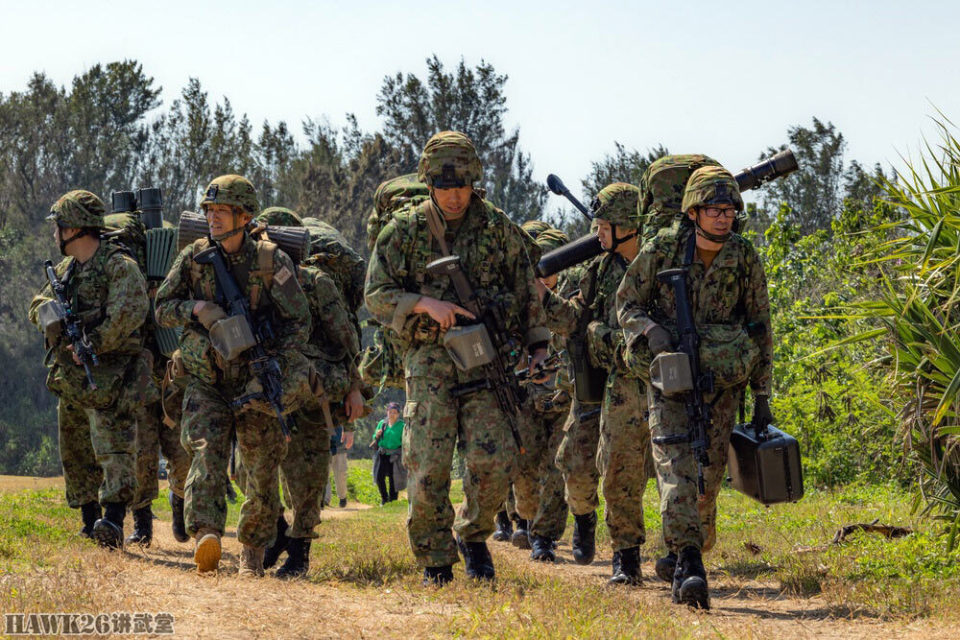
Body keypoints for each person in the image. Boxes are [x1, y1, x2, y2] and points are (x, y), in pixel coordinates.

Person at [365, 130, 550, 585]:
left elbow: (529, 292)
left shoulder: (498, 228)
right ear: (429, 182)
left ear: (475, 182)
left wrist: (539, 344)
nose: (453, 196)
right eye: (444, 186)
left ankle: (473, 534)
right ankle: (435, 559)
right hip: (428, 359)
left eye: (461, 186)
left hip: (487, 359)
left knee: (495, 458)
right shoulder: (404, 230)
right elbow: (375, 295)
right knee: (426, 463)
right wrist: (427, 305)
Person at [616, 166, 773, 608]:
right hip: (669, 380)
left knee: (706, 475)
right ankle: (689, 564)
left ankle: (683, 549)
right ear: (692, 212)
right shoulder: (662, 249)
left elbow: (760, 326)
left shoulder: (743, 256)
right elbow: (625, 304)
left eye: (730, 210)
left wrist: (762, 394)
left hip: (721, 382)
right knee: (674, 467)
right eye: (715, 209)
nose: (724, 217)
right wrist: (650, 330)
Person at [154, 174, 313, 576]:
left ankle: (252, 552)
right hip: (207, 378)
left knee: (260, 469)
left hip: (254, 379)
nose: (213, 219)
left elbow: (299, 321)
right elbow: (161, 308)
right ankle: (207, 533)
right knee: (206, 454)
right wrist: (197, 310)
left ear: (244, 215)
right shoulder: (193, 256)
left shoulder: (270, 261)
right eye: (209, 211)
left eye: (222, 211)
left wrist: (272, 362)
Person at [540, 183, 651, 585]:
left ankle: (627, 557)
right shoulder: (598, 269)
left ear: (626, 226)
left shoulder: (654, 263)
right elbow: (573, 319)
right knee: (575, 463)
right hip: (592, 381)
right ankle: (583, 517)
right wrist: (543, 297)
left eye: (604, 225)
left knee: (621, 466)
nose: (597, 234)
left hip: (635, 379)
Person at [28, 190, 149, 549]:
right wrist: (52, 316)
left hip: (113, 374)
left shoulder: (117, 264)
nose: (55, 233)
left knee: (114, 449)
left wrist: (93, 343)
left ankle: (112, 519)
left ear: (75, 229)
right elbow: (36, 305)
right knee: (76, 448)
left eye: (59, 226)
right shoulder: (66, 270)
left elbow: (131, 310)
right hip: (74, 377)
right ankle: (88, 518)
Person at [251, 207, 365, 578]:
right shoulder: (251, 283)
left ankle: (300, 551)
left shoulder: (315, 282)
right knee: (260, 464)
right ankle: (279, 532)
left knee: (309, 470)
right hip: (273, 385)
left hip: (318, 387)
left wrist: (354, 389)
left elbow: (347, 341)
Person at [509, 222, 572, 562]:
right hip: (526, 397)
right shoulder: (516, 301)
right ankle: (526, 518)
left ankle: (544, 537)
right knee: (526, 465)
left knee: (557, 465)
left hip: (564, 399)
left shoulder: (571, 301)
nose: (545, 277)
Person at [370, 401, 406, 504]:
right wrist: (376, 435)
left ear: (398, 414)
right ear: (387, 412)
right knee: (379, 477)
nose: (392, 414)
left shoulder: (402, 426)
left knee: (394, 478)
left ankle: (393, 500)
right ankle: (384, 499)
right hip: (382, 454)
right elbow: (374, 437)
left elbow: (405, 441)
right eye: (390, 412)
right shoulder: (382, 423)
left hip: (395, 456)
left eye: (394, 412)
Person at [325, 425, 354, 508]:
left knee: (341, 474)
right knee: (324, 474)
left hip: (340, 446)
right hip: (325, 446)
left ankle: (342, 497)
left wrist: (350, 433)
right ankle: (325, 499)